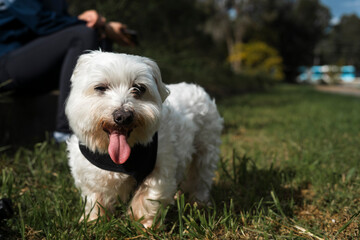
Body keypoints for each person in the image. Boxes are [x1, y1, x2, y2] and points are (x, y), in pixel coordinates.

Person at [0, 0, 136, 142]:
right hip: (5, 61)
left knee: (100, 38)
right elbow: (41, 22)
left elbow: (54, 28)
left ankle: (105, 124)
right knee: (83, 34)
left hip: (33, 68)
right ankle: (67, 133)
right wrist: (96, 25)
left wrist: (90, 23)